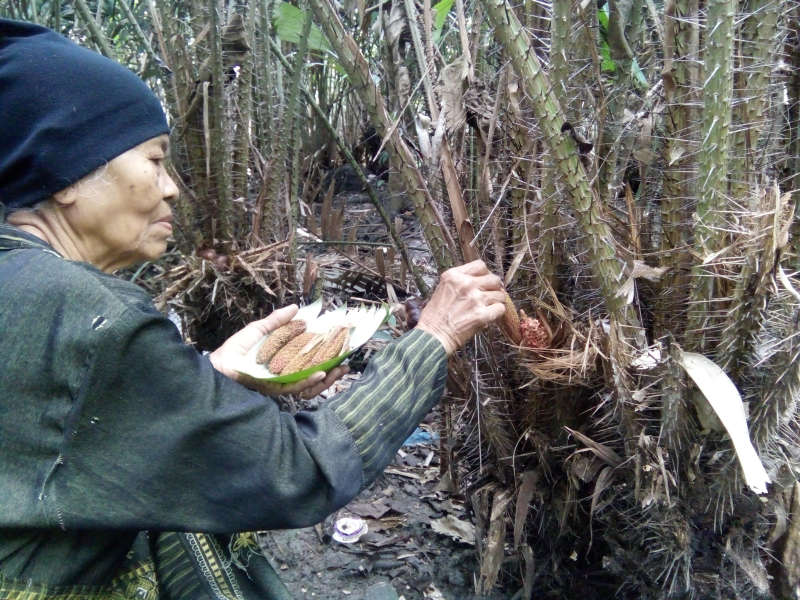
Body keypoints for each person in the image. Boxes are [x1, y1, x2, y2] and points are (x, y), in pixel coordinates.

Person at [0, 18, 507, 600]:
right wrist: (434, 336)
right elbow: (295, 468)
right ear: (67, 171)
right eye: (155, 160)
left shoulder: (22, 282)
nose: (171, 189)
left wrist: (210, 378)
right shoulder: (92, 314)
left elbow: (59, 434)